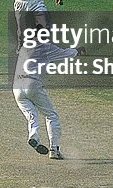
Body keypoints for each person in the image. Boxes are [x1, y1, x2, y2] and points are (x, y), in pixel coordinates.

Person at [13, 26, 84, 160]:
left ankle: (33, 136)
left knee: (31, 116)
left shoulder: (24, 47)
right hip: (32, 84)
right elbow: (65, 54)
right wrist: (77, 51)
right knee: (51, 115)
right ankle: (54, 149)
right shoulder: (45, 47)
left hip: (16, 87)